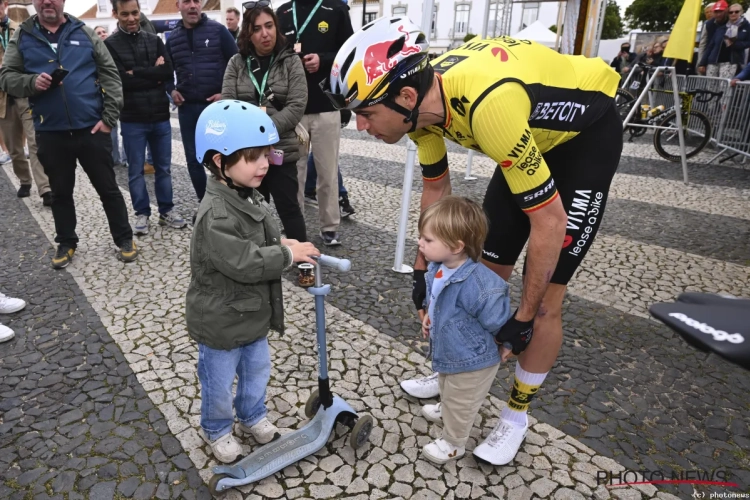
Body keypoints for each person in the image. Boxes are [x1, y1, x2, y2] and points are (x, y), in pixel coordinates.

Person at [325, 17, 622, 465]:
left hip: (584, 142)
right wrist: (422, 272)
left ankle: (515, 416)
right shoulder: (421, 111)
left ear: (405, 98)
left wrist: (521, 319)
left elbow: (550, 222)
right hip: (526, 140)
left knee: (543, 305)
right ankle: (458, 371)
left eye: (364, 113)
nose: (361, 127)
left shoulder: (487, 107)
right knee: (480, 277)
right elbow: (435, 191)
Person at [187, 100, 320, 462]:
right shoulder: (215, 214)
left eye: (266, 154)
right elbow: (244, 261)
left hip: (250, 313)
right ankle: (217, 428)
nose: (265, 164)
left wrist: (282, 243)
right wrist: (287, 256)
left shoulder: (247, 195)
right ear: (219, 161)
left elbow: (258, 241)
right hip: (220, 319)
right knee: (217, 382)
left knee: (256, 371)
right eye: (252, 157)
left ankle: (252, 416)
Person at [0, 0, 138, 269]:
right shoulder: (23, 35)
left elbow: (109, 73)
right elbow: (6, 77)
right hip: (50, 130)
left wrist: (109, 119)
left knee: (108, 188)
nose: (47, 2)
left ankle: (124, 237)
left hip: (91, 129)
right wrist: (30, 83)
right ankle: (66, 241)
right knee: (61, 193)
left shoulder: (82, 31)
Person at [415, 196, 511, 465]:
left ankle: (453, 443)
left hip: (473, 359)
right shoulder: (439, 266)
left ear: (456, 246)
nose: (420, 243)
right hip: (450, 351)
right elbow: (437, 300)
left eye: (428, 239)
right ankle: (446, 407)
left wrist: (507, 343)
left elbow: (499, 322)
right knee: (446, 384)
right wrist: (430, 318)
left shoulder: (481, 286)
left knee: (461, 401)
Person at [221, 2, 307, 243]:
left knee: (289, 209)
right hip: (248, 153)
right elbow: (228, 103)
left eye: (269, 26)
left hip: (281, 149)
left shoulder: (290, 61)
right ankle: (258, 260)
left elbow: (297, 105)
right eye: (257, 28)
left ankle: (303, 263)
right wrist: (253, 136)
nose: (264, 33)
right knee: (251, 211)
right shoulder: (236, 63)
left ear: (276, 28)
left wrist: (264, 131)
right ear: (248, 32)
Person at [105, 0, 187, 236]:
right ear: (115, 14)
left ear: (140, 12)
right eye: (125, 14)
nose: (131, 18)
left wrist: (138, 73)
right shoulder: (110, 45)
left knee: (164, 169)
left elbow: (166, 71)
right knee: (136, 171)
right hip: (132, 118)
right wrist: (152, 74)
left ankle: (166, 210)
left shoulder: (154, 39)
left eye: (135, 13)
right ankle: (142, 213)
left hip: (160, 115)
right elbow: (121, 81)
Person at [276, 0, 354, 246]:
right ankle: (293, 225)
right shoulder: (284, 12)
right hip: (294, 109)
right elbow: (275, 56)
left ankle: (330, 227)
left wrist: (323, 59)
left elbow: (349, 53)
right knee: (293, 172)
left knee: (327, 171)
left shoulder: (336, 9)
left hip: (325, 107)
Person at [166, 0, 238, 203]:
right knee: (193, 159)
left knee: (224, 156)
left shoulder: (218, 31)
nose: (192, 6)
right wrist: (170, 90)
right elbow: (163, 69)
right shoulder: (173, 39)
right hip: (188, 108)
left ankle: (230, 202)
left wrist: (226, 93)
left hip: (216, 107)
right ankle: (206, 203)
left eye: (197, 1)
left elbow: (239, 64)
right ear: (178, 5)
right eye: (186, 1)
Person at [0, 0, 53, 207]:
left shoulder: (21, 28)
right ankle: (24, 180)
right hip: (3, 97)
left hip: (24, 91)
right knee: (14, 147)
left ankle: (45, 188)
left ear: (4, 5)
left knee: (35, 142)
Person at [699, 1, 750, 78]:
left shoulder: (745, 26)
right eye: (731, 12)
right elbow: (710, 46)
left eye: (736, 12)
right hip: (713, 61)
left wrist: (735, 45)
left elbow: (748, 43)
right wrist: (702, 63)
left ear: (741, 12)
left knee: (724, 87)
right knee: (710, 88)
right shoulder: (721, 27)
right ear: (728, 13)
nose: (733, 14)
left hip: (730, 62)